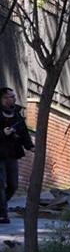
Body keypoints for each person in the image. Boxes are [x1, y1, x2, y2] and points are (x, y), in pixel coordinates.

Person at [0, 87, 34, 224]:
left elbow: (24, 132)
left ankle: (1, 206)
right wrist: (2, 133)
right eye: (10, 96)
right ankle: (3, 214)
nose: (13, 99)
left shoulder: (17, 114)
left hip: (12, 154)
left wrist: (30, 146)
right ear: (3, 98)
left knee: (13, 185)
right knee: (0, 184)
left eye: (14, 96)